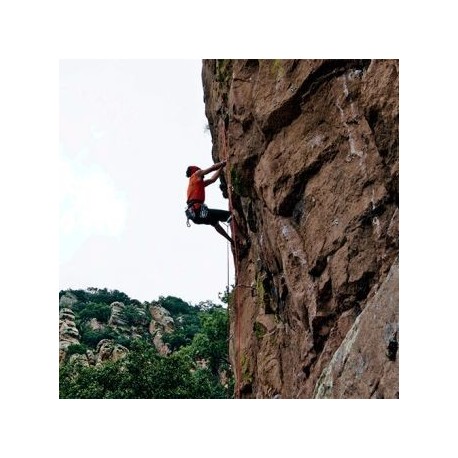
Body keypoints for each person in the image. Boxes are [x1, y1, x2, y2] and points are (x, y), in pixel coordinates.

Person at [185, 161, 233, 244]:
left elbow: (212, 179)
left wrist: (221, 168)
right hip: (198, 210)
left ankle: (231, 241)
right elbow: (212, 168)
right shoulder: (196, 174)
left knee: (214, 223)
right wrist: (223, 162)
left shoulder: (195, 183)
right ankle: (242, 239)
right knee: (229, 215)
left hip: (195, 216)